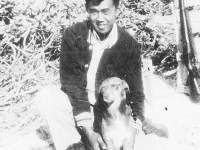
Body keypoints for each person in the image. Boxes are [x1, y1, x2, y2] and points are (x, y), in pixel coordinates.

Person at [35, 0, 167, 150]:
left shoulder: (129, 45)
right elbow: (71, 84)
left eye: (105, 11)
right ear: (87, 10)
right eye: (94, 11)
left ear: (116, 10)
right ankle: (74, 144)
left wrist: (135, 124)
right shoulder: (73, 36)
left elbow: (136, 93)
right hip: (79, 108)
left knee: (133, 133)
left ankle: (145, 127)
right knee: (46, 96)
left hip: (109, 115)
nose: (100, 18)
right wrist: (88, 130)